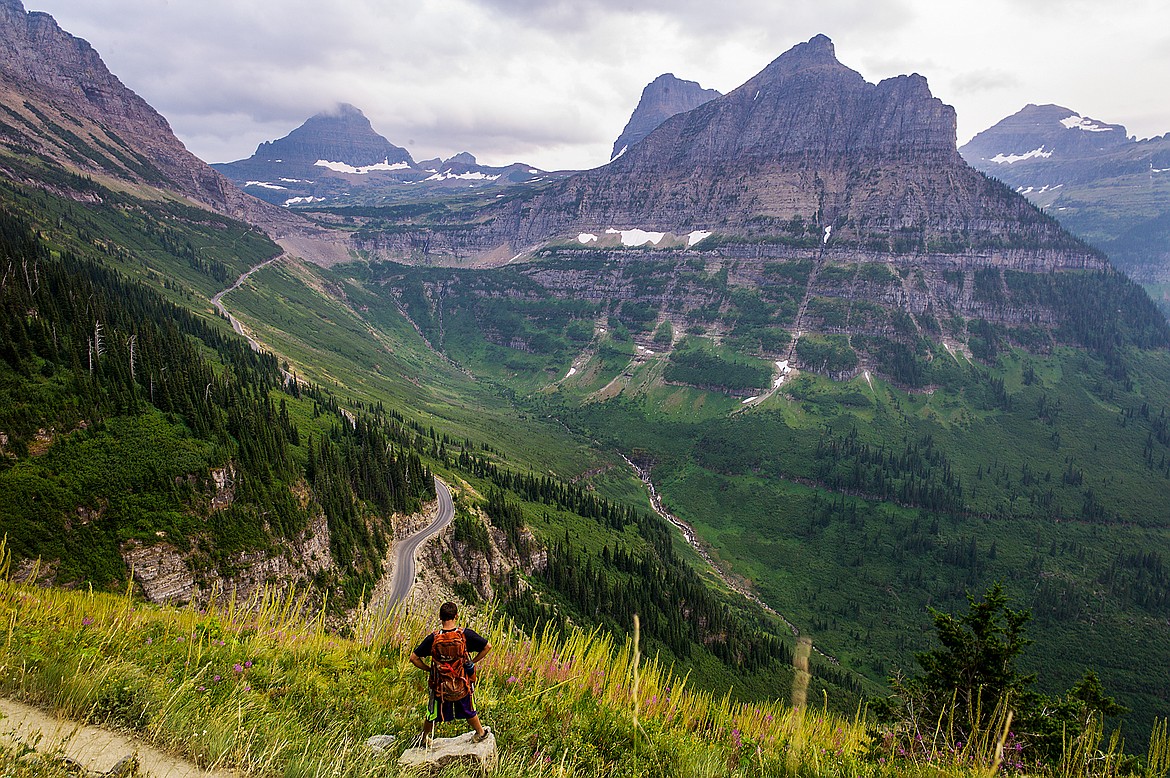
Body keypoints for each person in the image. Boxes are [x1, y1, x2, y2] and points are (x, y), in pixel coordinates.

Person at [409, 601, 493, 744]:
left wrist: (429, 669)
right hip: (461, 681)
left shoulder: (434, 638)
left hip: (440, 684)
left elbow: (413, 658)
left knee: (432, 712)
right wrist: (473, 662)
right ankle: (480, 732)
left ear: (440, 617)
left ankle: (423, 738)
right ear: (456, 616)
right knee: (469, 708)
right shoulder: (465, 635)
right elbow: (487, 646)